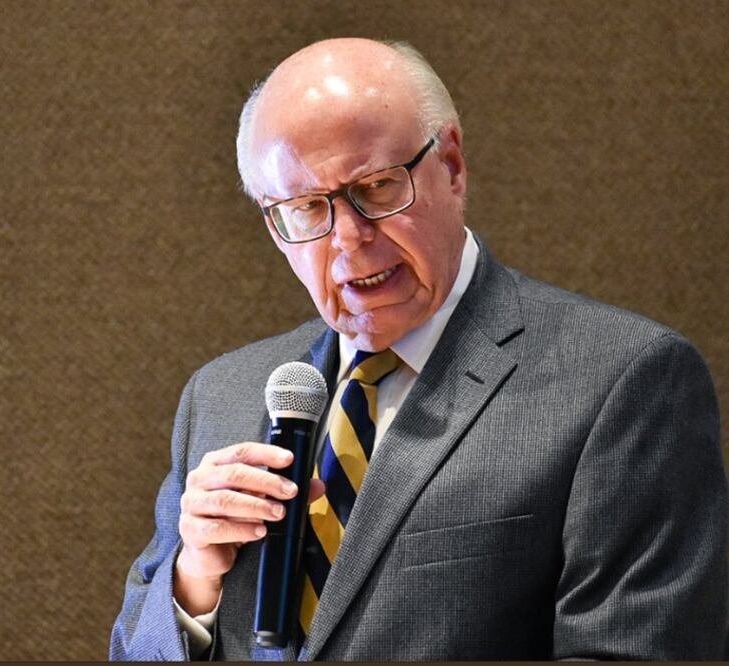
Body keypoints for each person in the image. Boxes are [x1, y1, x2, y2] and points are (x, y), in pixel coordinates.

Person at [110, 38, 727, 660]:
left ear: (451, 166)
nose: (349, 239)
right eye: (306, 209)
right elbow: (134, 646)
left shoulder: (625, 380)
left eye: (377, 188)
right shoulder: (219, 396)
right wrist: (194, 583)